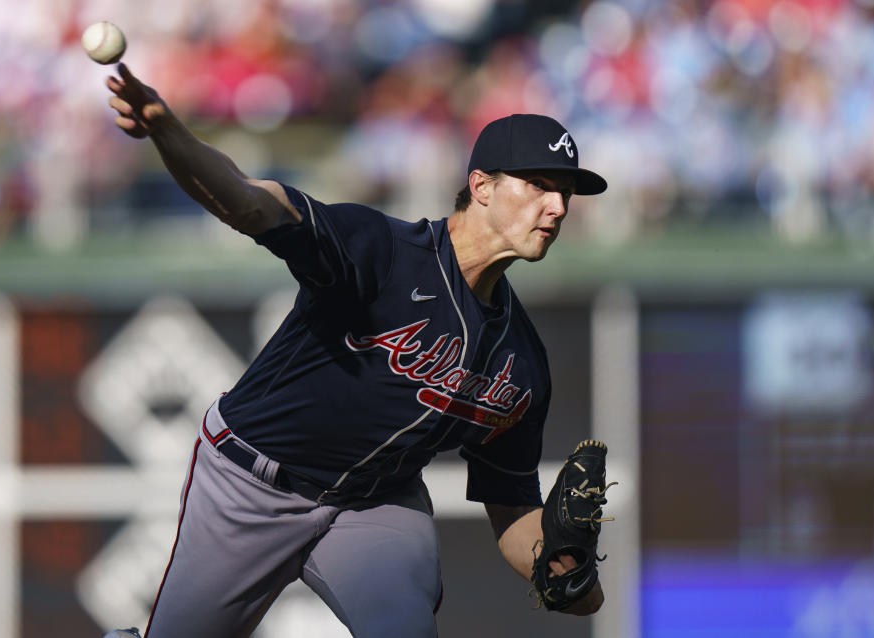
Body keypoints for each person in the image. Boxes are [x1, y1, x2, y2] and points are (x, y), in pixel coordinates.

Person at [102, 63, 608, 638]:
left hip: (374, 505)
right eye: (538, 185)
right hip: (250, 483)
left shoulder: (521, 363)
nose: (558, 208)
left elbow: (513, 507)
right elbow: (249, 203)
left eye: (565, 192)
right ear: (482, 186)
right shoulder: (382, 251)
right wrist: (171, 134)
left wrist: (567, 570)